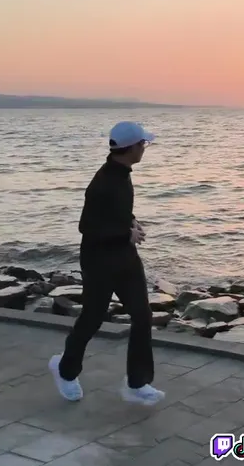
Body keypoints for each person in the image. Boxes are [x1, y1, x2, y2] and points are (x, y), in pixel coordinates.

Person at [49, 121, 163, 406]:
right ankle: (65, 370)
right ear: (131, 148)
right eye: (143, 144)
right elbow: (87, 226)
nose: (145, 148)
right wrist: (126, 232)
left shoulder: (122, 173)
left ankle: (137, 383)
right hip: (99, 260)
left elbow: (115, 212)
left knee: (142, 316)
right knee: (92, 318)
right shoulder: (103, 181)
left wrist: (132, 223)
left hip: (125, 257)